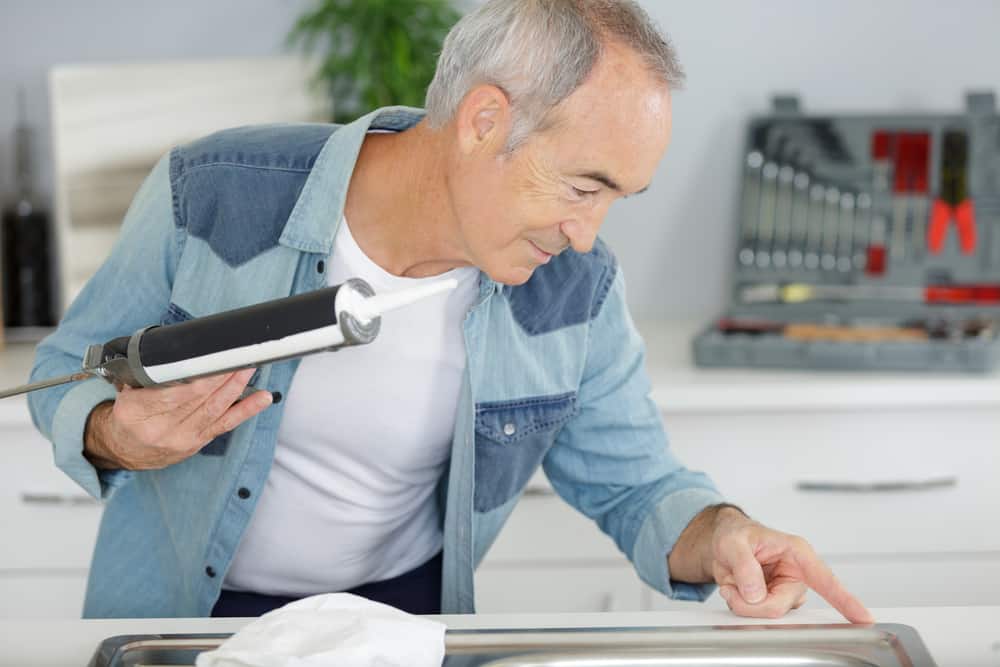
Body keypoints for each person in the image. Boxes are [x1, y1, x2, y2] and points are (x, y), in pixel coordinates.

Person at [29, 0, 872, 623]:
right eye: (584, 187)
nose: (586, 236)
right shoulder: (209, 194)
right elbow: (62, 372)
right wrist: (113, 432)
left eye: (618, 198)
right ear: (483, 121)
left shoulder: (577, 292)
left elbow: (638, 482)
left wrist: (724, 532)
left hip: (400, 623)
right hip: (181, 622)